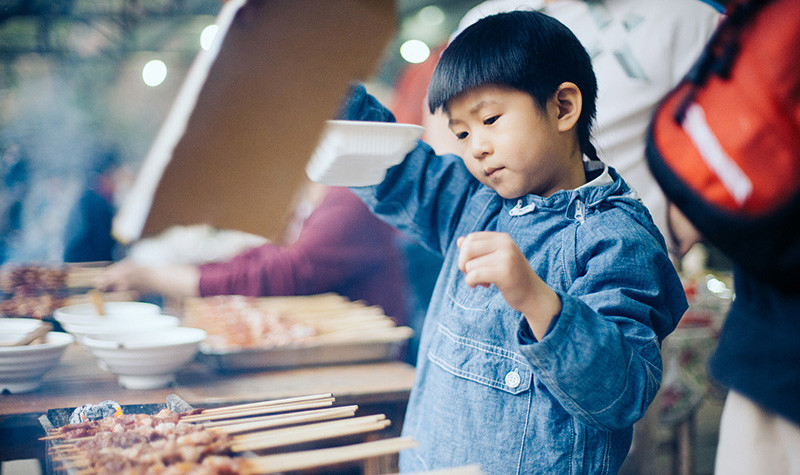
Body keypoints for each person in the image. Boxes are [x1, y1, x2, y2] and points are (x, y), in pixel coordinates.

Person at [341, 10, 686, 473]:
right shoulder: (474, 202)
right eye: (461, 133)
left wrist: (535, 297)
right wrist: (325, 86)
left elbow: (621, 394)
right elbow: (395, 171)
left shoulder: (618, 239)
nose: (475, 147)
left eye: (490, 120)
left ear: (563, 107)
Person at [98, 184, 409, 326]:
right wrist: (161, 275)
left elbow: (285, 271)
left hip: (366, 363)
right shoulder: (318, 195)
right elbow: (265, 256)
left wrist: (157, 277)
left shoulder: (351, 198)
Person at [63, 146, 127, 263]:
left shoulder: (88, 197)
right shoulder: (95, 203)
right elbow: (103, 244)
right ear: (104, 176)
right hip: (85, 267)